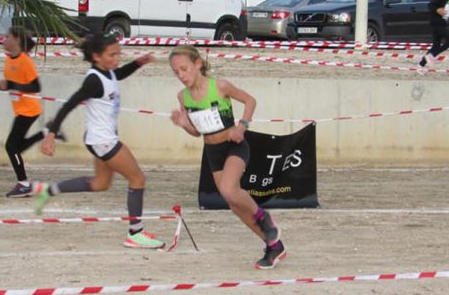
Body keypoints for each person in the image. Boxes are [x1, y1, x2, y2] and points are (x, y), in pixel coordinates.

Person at [32, 34, 164, 249]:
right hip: (103, 141)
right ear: (96, 57)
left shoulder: (107, 72)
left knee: (100, 184)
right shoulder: (93, 79)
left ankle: (49, 190)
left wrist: (138, 63)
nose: (117, 57)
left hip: (98, 139)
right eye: (112, 54)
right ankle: (135, 233)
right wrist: (51, 134)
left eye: (118, 53)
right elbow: (70, 104)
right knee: (137, 179)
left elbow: (117, 74)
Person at [168, 45, 286, 270]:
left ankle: (264, 218)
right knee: (234, 203)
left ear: (198, 64)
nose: (181, 75)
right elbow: (196, 132)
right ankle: (273, 245)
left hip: (234, 145)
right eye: (176, 72)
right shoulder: (183, 97)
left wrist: (242, 127)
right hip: (213, 152)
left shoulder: (219, 86)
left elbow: (250, 101)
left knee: (229, 190)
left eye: (184, 69)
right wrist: (184, 124)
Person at [0, 26, 46, 198]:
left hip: (29, 109)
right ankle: (44, 134)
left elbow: (36, 87)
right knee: (16, 146)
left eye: (7, 37)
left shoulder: (25, 61)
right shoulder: (9, 60)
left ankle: (23, 183)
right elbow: (12, 83)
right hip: (20, 108)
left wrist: (11, 86)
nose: (3, 40)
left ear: (17, 40)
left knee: (11, 146)